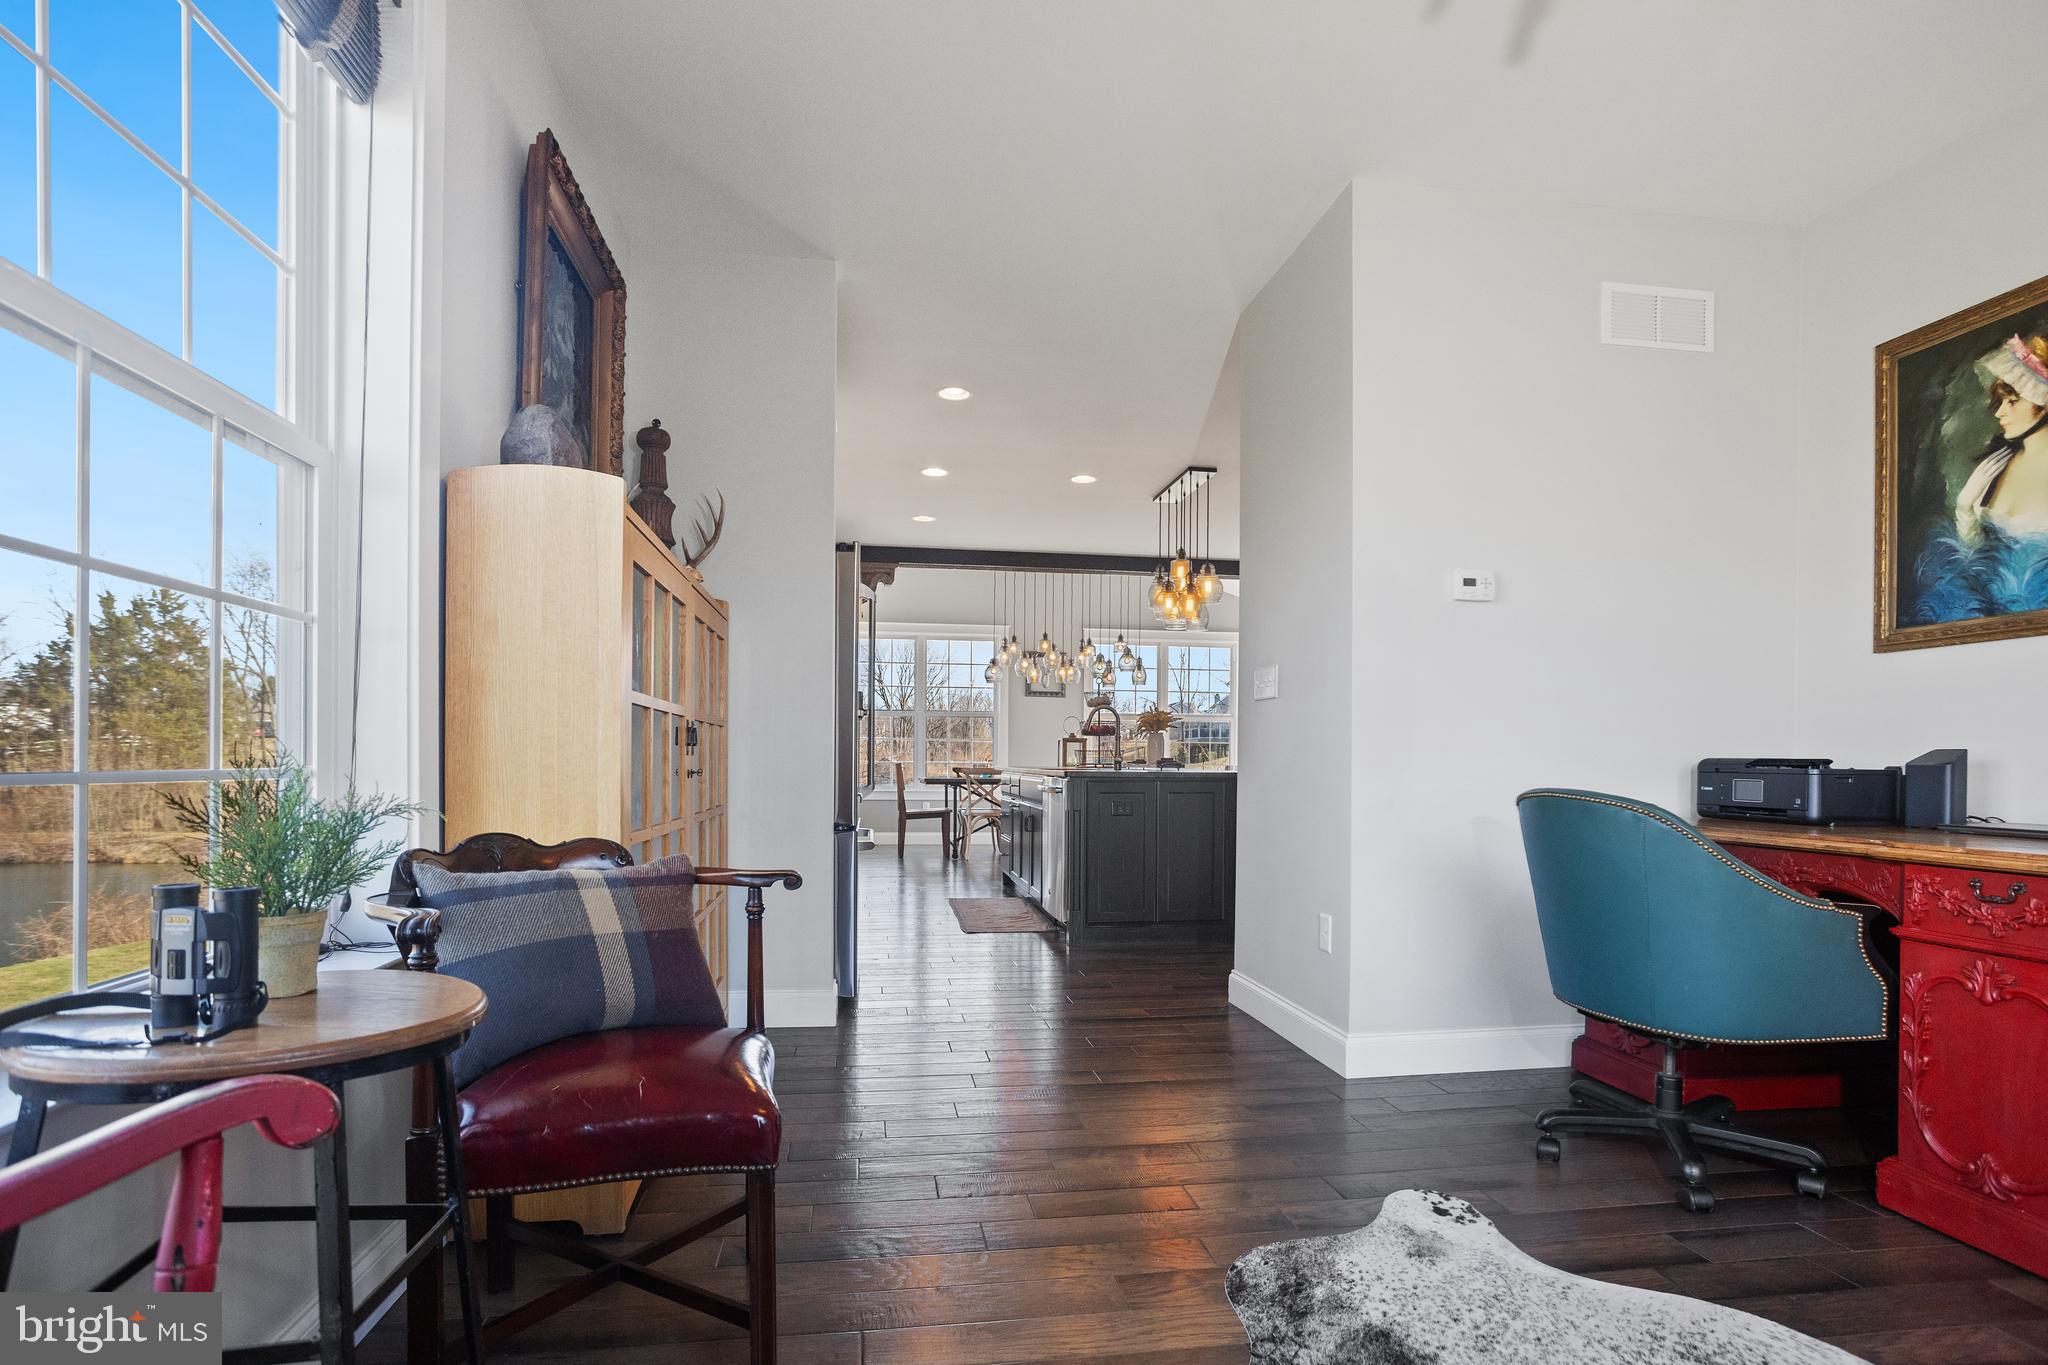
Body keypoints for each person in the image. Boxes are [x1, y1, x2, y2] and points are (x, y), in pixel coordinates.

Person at [1955, 333, 2048, 544]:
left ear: (2043, 406)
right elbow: (1976, 558)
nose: (1999, 413)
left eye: (2012, 402)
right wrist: (1964, 511)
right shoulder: (1996, 464)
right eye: (2001, 402)